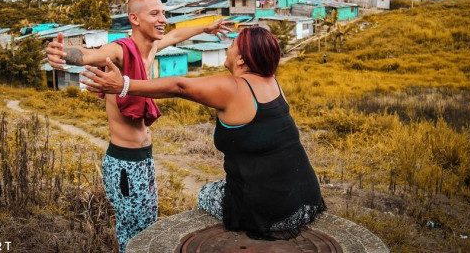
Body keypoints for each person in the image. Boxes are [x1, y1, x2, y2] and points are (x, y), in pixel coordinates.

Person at [80, 27, 326, 240]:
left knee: (206, 194)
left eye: (232, 45)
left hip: (269, 210)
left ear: (241, 60)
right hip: (305, 200)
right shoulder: (273, 83)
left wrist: (123, 85)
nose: (228, 49)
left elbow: (179, 86)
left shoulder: (234, 87)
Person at [45, 0, 231, 252]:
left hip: (142, 157)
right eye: (154, 13)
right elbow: (88, 55)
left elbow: (176, 35)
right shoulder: (121, 50)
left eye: (163, 13)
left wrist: (207, 27)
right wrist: (62, 53)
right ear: (134, 18)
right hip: (125, 163)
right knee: (136, 235)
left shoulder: (151, 48)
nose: (162, 19)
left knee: (146, 225)